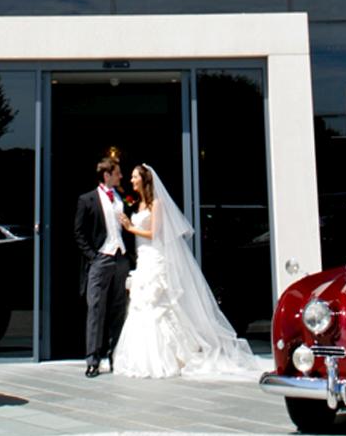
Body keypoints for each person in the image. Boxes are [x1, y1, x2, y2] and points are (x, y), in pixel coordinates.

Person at [112, 163, 261, 379]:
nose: (131, 180)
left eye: (135, 176)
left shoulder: (156, 204)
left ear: (144, 180)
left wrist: (129, 228)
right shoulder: (139, 204)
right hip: (143, 258)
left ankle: (168, 357)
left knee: (157, 304)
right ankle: (141, 357)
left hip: (155, 257)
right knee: (140, 305)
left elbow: (154, 233)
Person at [73, 154, 132, 377]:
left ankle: (116, 355)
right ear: (107, 175)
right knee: (96, 309)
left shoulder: (121, 198)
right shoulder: (86, 199)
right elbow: (78, 232)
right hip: (101, 259)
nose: (121, 176)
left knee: (118, 308)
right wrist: (93, 256)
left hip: (121, 258)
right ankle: (93, 360)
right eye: (117, 173)